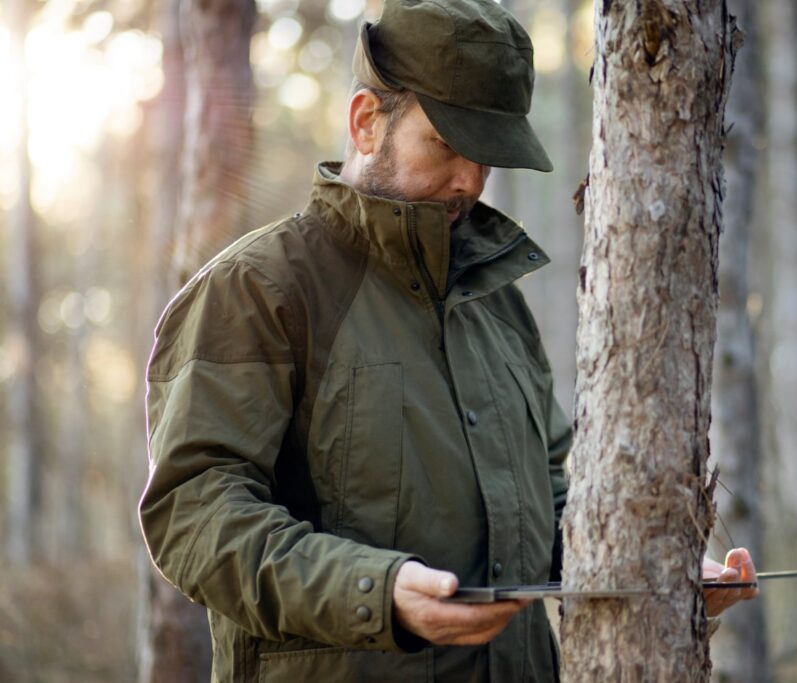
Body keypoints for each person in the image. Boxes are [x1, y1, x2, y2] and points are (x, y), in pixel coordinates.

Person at [139, 0, 757, 680]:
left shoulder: (496, 301)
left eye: (486, 157)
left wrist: (663, 577)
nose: (470, 181)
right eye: (446, 145)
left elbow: (554, 505)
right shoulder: (257, 290)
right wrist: (377, 592)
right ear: (366, 122)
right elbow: (194, 512)